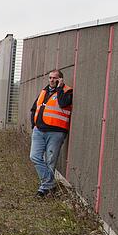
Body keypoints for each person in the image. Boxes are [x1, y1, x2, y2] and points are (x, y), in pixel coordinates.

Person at [30, 68, 73, 197]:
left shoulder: (67, 91)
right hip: (39, 131)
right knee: (34, 157)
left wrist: (60, 88)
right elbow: (34, 108)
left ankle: (44, 189)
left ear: (60, 79)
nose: (51, 80)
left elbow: (63, 103)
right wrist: (34, 124)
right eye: (50, 78)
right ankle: (50, 183)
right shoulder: (44, 91)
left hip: (56, 132)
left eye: (54, 78)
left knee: (50, 161)